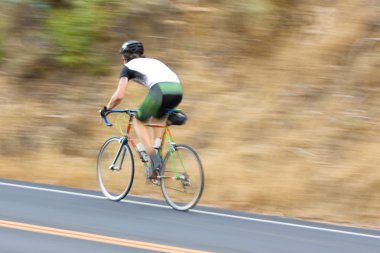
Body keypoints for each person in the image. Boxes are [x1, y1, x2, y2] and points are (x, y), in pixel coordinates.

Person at [101, 40, 183, 179]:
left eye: (122, 56)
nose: (122, 59)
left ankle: (154, 160)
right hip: (177, 90)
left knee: (139, 121)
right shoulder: (153, 61)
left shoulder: (128, 67)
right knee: (157, 116)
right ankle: (157, 155)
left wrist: (106, 108)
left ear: (126, 56)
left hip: (160, 90)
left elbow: (119, 95)